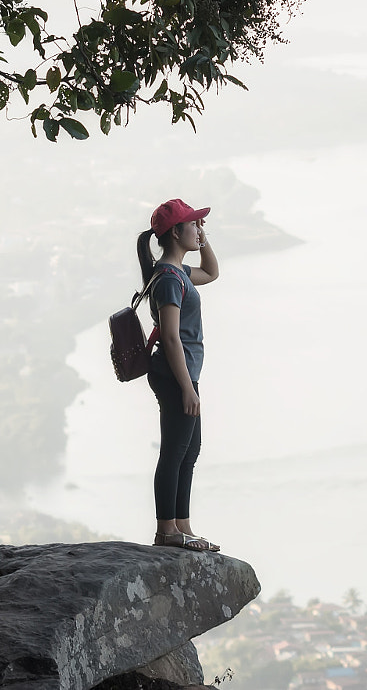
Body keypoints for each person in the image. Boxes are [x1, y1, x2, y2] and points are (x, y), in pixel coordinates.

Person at [136, 197, 220, 552]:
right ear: (175, 231)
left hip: (183, 373)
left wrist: (203, 238)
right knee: (174, 451)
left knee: (190, 450)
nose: (198, 230)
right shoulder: (170, 279)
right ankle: (166, 531)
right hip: (176, 375)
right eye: (193, 224)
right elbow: (170, 337)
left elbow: (212, 273)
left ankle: (182, 525)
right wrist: (187, 388)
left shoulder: (178, 273)